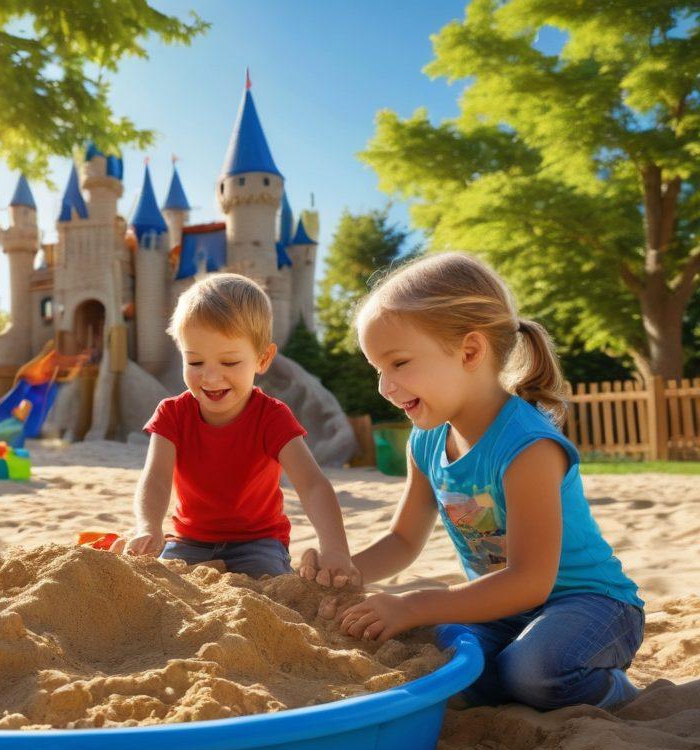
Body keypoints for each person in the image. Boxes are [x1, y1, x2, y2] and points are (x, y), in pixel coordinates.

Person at [321, 251, 642, 711]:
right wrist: (346, 572)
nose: (384, 388)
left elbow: (531, 581)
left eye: (399, 363)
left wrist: (413, 604)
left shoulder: (527, 445)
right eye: (378, 370)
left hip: (589, 604)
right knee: (446, 660)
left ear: (470, 351)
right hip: (501, 608)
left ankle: (615, 690)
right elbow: (402, 539)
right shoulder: (426, 441)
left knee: (534, 674)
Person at [123, 273, 358, 584]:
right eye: (194, 362)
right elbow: (155, 477)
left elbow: (312, 485)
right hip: (189, 540)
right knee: (160, 587)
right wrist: (148, 525)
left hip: (258, 542)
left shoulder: (272, 417)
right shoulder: (172, 414)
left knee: (270, 590)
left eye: (230, 363)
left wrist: (336, 549)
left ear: (262, 359)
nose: (210, 377)